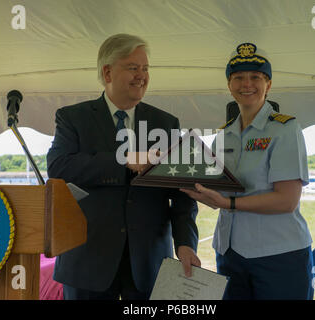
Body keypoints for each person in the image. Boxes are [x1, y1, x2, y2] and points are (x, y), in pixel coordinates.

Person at [47, 33, 200, 300]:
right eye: (133, 67)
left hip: (149, 266)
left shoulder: (166, 123)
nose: (142, 75)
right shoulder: (73, 118)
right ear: (107, 72)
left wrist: (186, 243)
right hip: (87, 262)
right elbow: (59, 166)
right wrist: (125, 160)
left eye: (145, 68)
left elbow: (181, 192)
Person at [181, 42, 313, 300]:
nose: (247, 84)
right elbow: (218, 189)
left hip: (279, 254)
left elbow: (287, 200)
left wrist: (227, 203)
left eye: (256, 77)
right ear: (229, 85)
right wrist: (183, 181)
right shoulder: (223, 135)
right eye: (238, 77)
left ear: (269, 84)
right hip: (230, 254)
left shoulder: (285, 129)